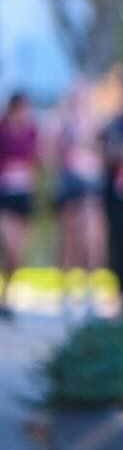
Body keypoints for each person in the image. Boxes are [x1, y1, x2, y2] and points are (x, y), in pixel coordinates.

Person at [51, 84, 109, 318]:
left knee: (91, 240)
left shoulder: (99, 125)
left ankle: (89, 291)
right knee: (70, 240)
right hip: (72, 186)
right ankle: (66, 292)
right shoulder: (63, 125)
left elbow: (105, 154)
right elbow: (55, 155)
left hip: (92, 187)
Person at [0, 94, 39, 317]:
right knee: (8, 243)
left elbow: (37, 159)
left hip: (23, 195)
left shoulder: (31, 132)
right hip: (4, 194)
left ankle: (7, 295)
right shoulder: (2, 130)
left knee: (16, 254)